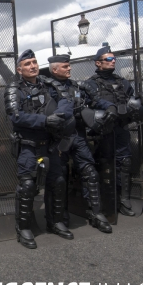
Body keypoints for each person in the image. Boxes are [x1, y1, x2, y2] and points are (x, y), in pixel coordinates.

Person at [4, 49, 75, 249]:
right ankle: (23, 228)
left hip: (50, 145)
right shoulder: (13, 89)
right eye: (27, 64)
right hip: (28, 147)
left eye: (34, 62)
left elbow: (66, 101)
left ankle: (55, 222)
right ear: (19, 69)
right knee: (27, 187)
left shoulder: (49, 84)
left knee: (58, 182)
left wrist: (59, 116)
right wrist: (45, 120)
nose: (33, 66)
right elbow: (16, 116)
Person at [47, 54, 112, 233]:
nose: (69, 68)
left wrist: (110, 107)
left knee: (90, 173)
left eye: (69, 66)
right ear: (54, 70)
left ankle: (95, 213)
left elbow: (95, 100)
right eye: (65, 66)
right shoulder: (47, 88)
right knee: (59, 178)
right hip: (59, 138)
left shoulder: (76, 86)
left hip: (78, 135)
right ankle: (58, 218)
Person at [82, 46, 143, 216]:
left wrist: (140, 98)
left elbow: (131, 100)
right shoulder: (90, 84)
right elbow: (88, 106)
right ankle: (100, 203)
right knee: (101, 165)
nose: (113, 62)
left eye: (114, 59)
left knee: (124, 162)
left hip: (121, 128)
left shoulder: (122, 82)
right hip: (101, 131)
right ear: (98, 63)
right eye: (109, 59)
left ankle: (124, 200)